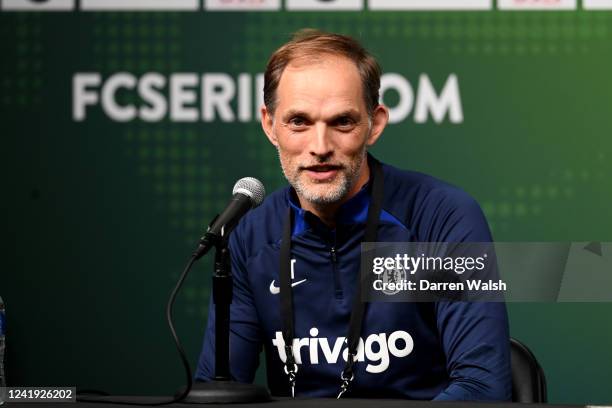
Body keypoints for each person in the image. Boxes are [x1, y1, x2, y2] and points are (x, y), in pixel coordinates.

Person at [196, 29, 511, 401]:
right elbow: (217, 391)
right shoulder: (250, 235)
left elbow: (482, 389)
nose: (319, 147)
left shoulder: (440, 217)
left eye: (341, 122)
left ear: (374, 124)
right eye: (299, 122)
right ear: (270, 126)